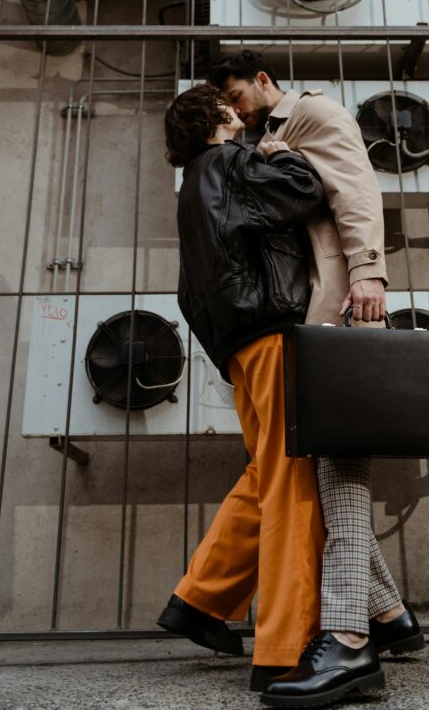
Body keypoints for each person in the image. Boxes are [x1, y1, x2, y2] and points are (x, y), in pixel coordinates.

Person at [208, 51, 424, 708]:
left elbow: (356, 189)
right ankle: (390, 617)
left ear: (264, 81)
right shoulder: (260, 138)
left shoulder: (312, 113)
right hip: (303, 323)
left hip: (338, 309)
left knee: (339, 476)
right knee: (325, 474)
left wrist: (367, 271)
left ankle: (349, 641)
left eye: (237, 94)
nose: (235, 108)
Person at [157, 83, 328, 693]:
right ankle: (286, 647)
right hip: (270, 330)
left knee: (265, 473)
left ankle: (201, 600)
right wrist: (279, 152)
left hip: (235, 346)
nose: (241, 111)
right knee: (291, 483)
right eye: (229, 105)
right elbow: (303, 194)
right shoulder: (232, 161)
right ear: (218, 117)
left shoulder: (191, 187)